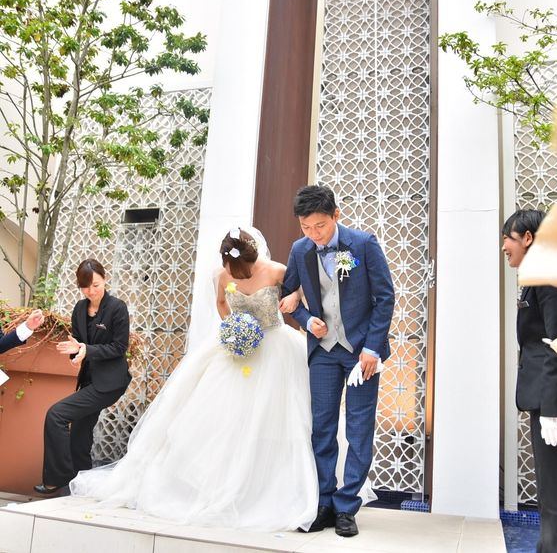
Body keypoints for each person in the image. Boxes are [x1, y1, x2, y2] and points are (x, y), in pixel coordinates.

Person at [70, 229, 319, 532]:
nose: (235, 275)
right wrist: (234, 328)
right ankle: (217, 484)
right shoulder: (221, 274)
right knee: (221, 418)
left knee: (274, 416)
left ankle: (266, 485)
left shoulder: (277, 270)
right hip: (237, 348)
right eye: (231, 271)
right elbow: (221, 303)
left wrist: (294, 296)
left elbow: (304, 291)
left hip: (275, 347)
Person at [282, 185, 395, 538]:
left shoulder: (362, 243)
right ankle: (324, 503)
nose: (314, 234)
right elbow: (287, 294)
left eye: (320, 226)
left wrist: (372, 348)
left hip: (361, 352)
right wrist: (306, 320)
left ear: (336, 215)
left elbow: (385, 297)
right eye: (306, 227)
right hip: (323, 352)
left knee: (359, 429)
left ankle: (347, 507)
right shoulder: (300, 250)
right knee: (322, 428)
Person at [502, 209, 557, 553]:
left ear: (528, 238)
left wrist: (552, 409)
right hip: (552, 398)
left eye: (507, 238)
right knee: (554, 494)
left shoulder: (551, 277)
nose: (504, 247)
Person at [34, 259, 132, 495]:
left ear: (104, 279)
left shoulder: (117, 308)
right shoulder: (79, 308)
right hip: (89, 380)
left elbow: (119, 347)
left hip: (110, 382)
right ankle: (80, 487)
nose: (91, 291)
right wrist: (76, 353)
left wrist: (87, 350)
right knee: (79, 434)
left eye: (96, 285)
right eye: (85, 287)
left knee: (56, 414)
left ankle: (58, 478)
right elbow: (78, 344)